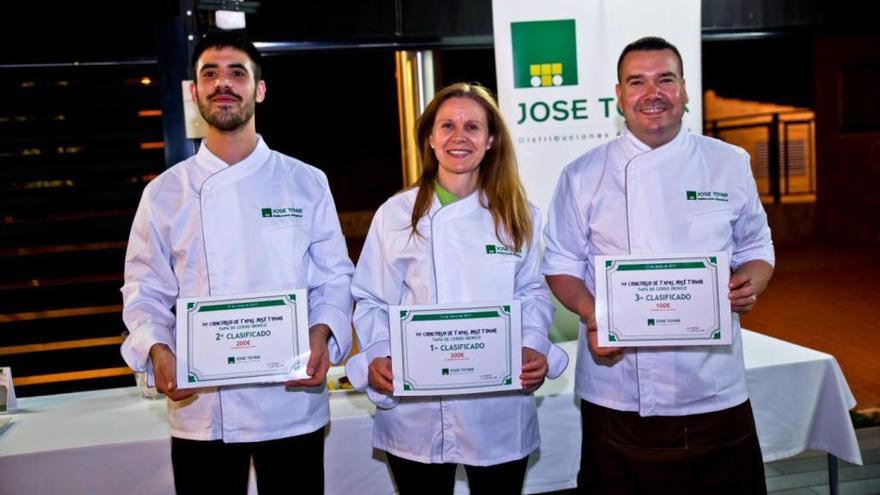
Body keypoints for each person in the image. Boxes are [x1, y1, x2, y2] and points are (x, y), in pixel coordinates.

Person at [120, 31, 354, 494]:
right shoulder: (165, 193)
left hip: (290, 402)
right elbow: (143, 289)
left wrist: (322, 331)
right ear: (194, 92)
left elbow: (334, 277)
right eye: (209, 74)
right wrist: (157, 350)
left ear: (259, 90)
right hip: (202, 409)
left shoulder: (305, 182)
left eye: (237, 73)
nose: (222, 84)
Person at [542, 37, 774, 494]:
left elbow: (757, 246)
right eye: (637, 82)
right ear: (619, 94)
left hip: (713, 385)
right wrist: (594, 315)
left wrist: (751, 282)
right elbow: (560, 263)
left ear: (685, 89)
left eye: (665, 79)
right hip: (618, 391)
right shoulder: (582, 173)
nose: (653, 93)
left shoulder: (728, 163)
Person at [345, 82, 568, 495]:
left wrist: (533, 343)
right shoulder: (395, 214)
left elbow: (533, 293)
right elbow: (371, 298)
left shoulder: (520, 215)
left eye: (472, 127)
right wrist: (379, 354)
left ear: (491, 140)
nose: (458, 137)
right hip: (416, 411)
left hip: (497, 407)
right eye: (447, 126)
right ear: (430, 137)